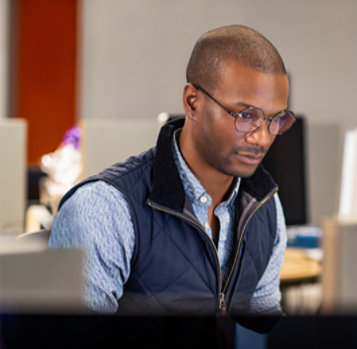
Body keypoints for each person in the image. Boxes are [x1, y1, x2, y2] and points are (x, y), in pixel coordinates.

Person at [49, 25, 296, 330]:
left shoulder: (265, 206)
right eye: (245, 115)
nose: (262, 138)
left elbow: (260, 330)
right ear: (193, 102)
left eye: (275, 119)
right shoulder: (103, 209)